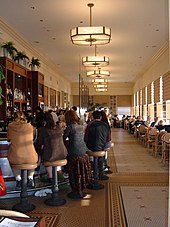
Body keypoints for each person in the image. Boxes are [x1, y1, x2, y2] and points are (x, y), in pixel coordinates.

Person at [63, 110, 91, 199]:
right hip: (83, 151)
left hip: (74, 152)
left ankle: (75, 188)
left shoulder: (70, 126)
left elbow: (64, 138)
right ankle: (80, 188)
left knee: (73, 169)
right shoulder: (80, 126)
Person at [7, 111, 38, 189]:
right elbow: (33, 138)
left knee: (12, 160)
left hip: (16, 157)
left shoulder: (10, 126)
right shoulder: (30, 126)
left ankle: (18, 179)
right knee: (33, 160)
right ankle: (30, 178)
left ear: (13, 118)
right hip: (30, 157)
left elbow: (8, 139)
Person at [35, 112, 67, 182]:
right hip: (63, 154)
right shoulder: (58, 127)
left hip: (51, 156)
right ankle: (54, 177)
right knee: (48, 153)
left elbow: (38, 143)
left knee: (45, 156)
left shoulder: (43, 130)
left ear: (43, 121)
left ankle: (51, 177)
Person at [84, 110, 110, 180]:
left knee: (89, 152)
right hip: (103, 146)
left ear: (92, 117)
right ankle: (101, 172)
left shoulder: (90, 124)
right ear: (100, 117)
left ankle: (94, 173)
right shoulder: (105, 124)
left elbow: (86, 137)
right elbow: (108, 138)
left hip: (91, 147)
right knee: (101, 152)